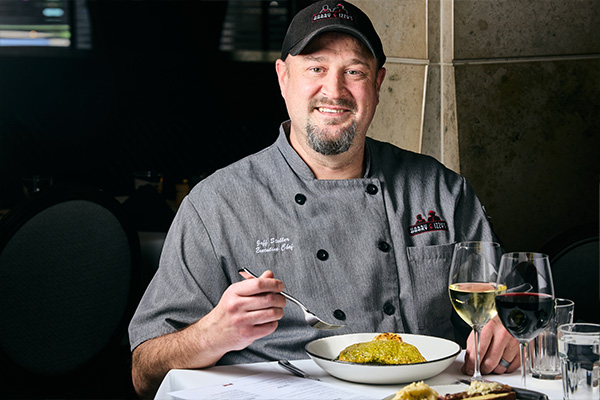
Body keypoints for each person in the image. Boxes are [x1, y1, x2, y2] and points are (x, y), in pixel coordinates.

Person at [128, 1, 519, 397]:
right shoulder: (216, 205)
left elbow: (515, 307)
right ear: (283, 78)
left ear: (378, 83)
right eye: (316, 68)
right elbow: (144, 373)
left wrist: (511, 332)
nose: (334, 91)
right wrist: (210, 336)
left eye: (354, 72)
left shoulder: (442, 190)